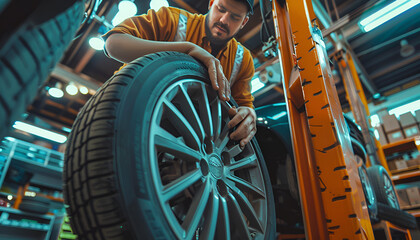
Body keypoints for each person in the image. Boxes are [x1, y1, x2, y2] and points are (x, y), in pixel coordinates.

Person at [103, 0, 256, 149]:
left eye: (235, 17)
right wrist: (186, 49)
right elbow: (114, 44)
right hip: (123, 114)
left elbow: (244, 105)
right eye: (221, 9)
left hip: (179, 148)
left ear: (244, 22)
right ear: (211, 4)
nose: (224, 20)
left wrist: (249, 115)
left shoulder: (243, 60)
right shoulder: (172, 20)